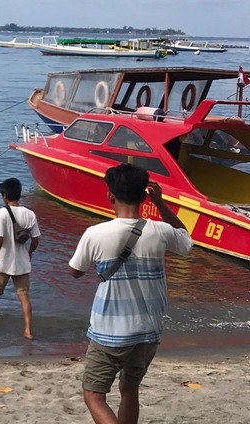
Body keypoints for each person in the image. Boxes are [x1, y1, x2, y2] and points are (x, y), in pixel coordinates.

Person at [69, 164, 193, 424]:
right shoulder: (160, 231)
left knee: (93, 394)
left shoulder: (95, 233)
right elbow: (185, 240)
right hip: (148, 331)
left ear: (110, 196)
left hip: (110, 332)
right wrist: (161, 204)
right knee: (130, 388)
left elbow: (75, 271)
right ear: (144, 197)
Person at [0, 177, 40, 336]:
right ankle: (28, 330)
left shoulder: (1, 213)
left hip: (2, 262)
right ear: (19, 194)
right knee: (24, 296)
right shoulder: (30, 214)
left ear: (4, 196)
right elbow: (35, 240)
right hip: (22, 263)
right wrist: (28, 253)